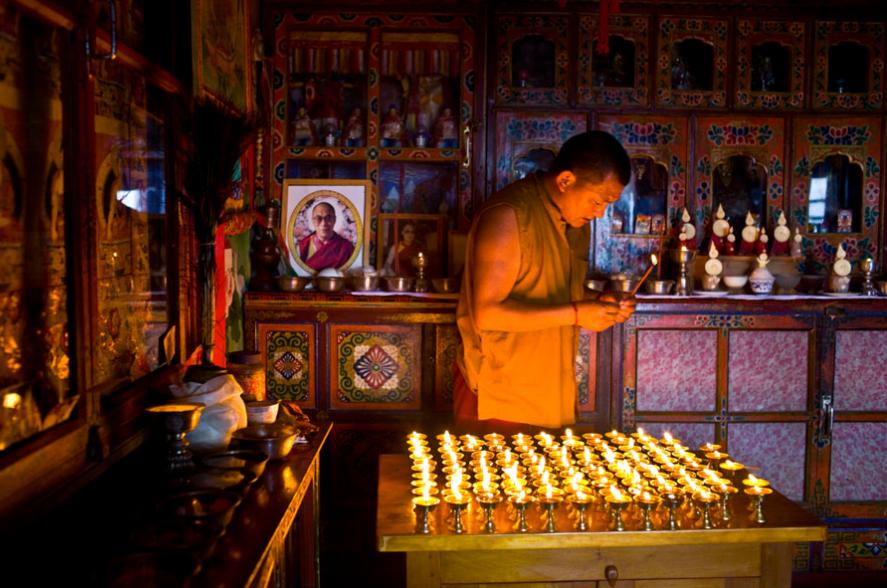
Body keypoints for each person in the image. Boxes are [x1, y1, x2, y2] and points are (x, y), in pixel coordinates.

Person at [455, 130, 636, 430]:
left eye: (608, 204)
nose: (600, 212)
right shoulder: (508, 216)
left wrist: (598, 304)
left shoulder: (573, 223)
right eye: (597, 200)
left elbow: (550, 289)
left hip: (548, 393)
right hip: (499, 396)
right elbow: (487, 313)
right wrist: (578, 313)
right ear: (565, 181)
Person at [297, 201, 355, 271]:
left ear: (334, 220)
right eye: (318, 218)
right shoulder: (302, 246)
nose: (323, 223)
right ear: (313, 221)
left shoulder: (346, 248)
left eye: (328, 217)